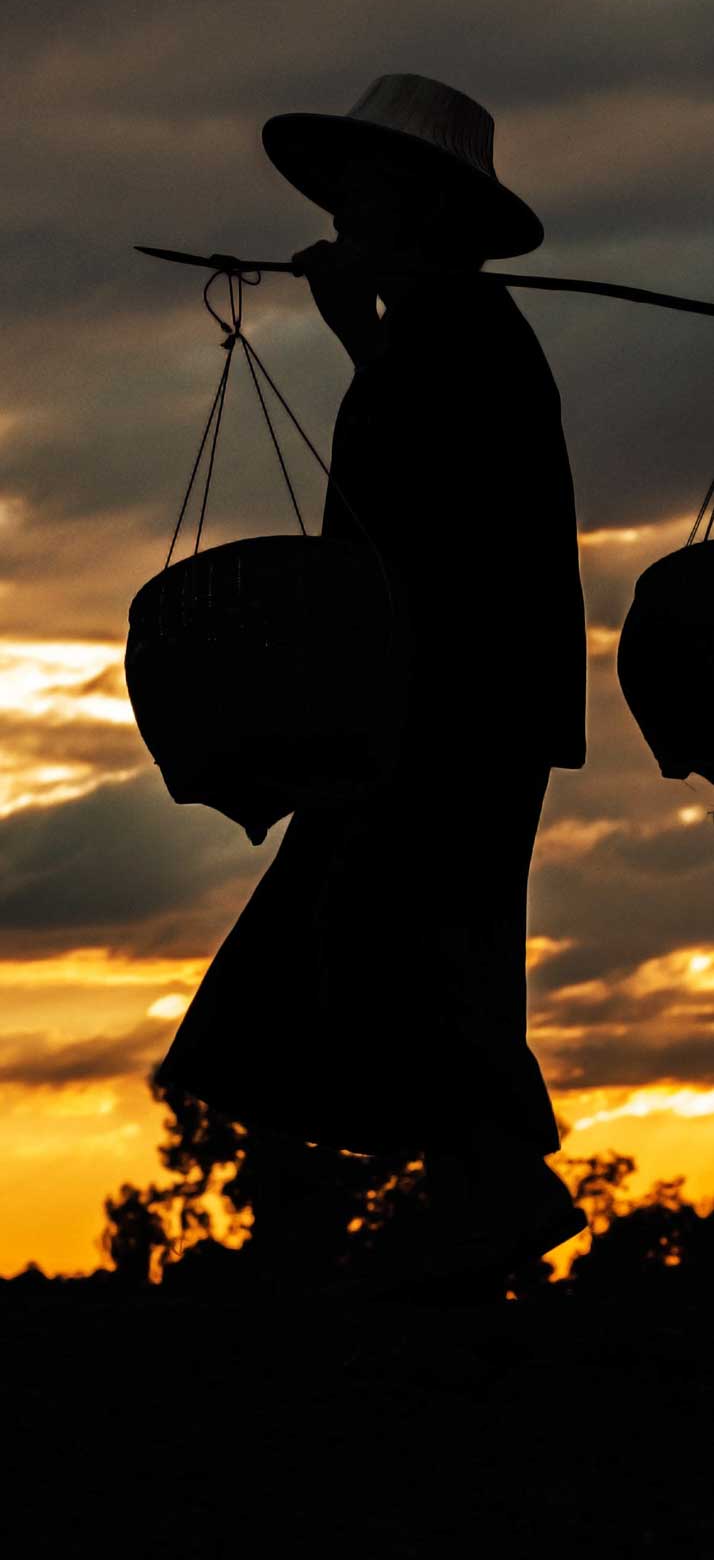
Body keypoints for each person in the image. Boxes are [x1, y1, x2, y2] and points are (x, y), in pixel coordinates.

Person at [156, 72, 589, 1282]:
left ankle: (479, 1204)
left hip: (455, 713)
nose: (338, 209)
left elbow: (424, 515)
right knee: (399, 957)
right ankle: (482, 1200)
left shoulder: (469, 338)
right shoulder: (447, 337)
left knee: (397, 947)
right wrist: (371, 340)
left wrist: (362, 340)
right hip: (449, 707)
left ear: (419, 206)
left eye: (362, 187)